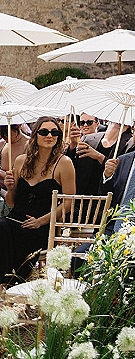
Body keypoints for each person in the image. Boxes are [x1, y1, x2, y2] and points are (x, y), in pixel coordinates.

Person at [0, 117, 75, 284]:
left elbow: (69, 203)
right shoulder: (20, 161)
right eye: (44, 132)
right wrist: (11, 188)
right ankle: (4, 283)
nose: (49, 135)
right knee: (2, 226)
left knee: (5, 230)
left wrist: (40, 222)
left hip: (42, 225)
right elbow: (11, 202)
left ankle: (10, 282)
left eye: (54, 132)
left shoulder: (64, 163)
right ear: (35, 135)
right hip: (15, 218)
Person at [0, 124, 30, 192]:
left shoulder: (30, 145)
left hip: (20, 188)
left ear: (18, 127)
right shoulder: (2, 143)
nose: (5, 138)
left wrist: (6, 175)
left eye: (7, 134)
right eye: (2, 135)